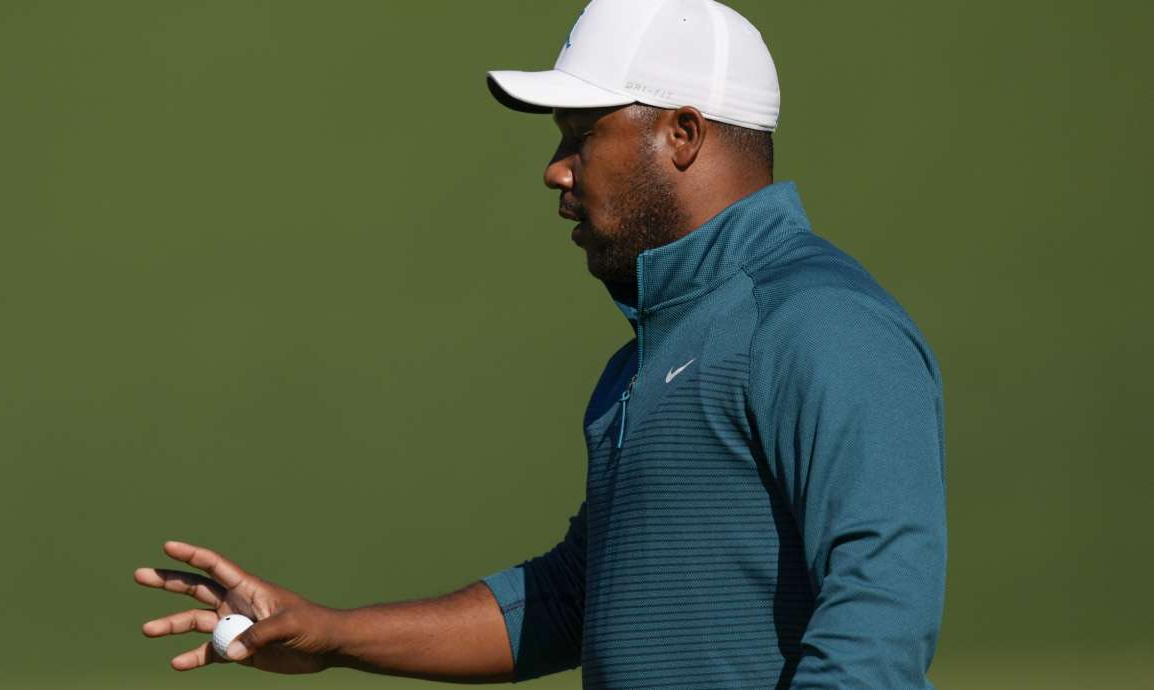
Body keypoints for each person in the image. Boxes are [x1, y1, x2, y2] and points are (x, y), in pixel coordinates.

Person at [134, 0, 947, 687]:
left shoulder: (819, 322)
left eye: (580, 133)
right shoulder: (649, 354)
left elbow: (879, 613)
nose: (556, 171)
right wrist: (331, 632)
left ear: (685, 133)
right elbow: (571, 598)